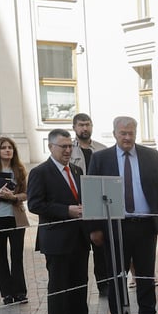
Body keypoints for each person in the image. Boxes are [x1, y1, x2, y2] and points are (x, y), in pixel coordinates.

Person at [86, 115, 158, 314]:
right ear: (115, 134)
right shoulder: (101, 158)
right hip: (115, 226)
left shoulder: (150, 155)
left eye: (131, 133)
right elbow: (92, 193)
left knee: (146, 274)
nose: (127, 137)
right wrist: (94, 228)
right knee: (117, 274)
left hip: (145, 225)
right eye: (123, 133)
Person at [27, 129, 99, 314]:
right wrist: (65, 210)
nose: (68, 151)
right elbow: (35, 204)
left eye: (70, 146)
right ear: (51, 147)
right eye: (63, 147)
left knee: (80, 286)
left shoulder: (76, 170)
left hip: (79, 239)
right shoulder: (40, 172)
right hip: (56, 240)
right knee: (59, 289)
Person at [0, 137, 30, 305]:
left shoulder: (19, 169)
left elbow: (26, 193)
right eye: (4, 148)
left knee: (17, 256)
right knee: (0, 256)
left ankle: (20, 292)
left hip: (16, 218)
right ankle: (6, 294)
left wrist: (13, 196)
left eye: (10, 147)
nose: (8, 150)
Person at [69, 113, 110, 296]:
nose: (84, 128)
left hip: (99, 204)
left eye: (87, 124)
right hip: (77, 205)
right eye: (80, 125)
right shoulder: (68, 149)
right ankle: (79, 287)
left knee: (101, 247)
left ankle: (104, 285)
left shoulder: (101, 149)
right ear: (74, 127)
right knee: (80, 248)